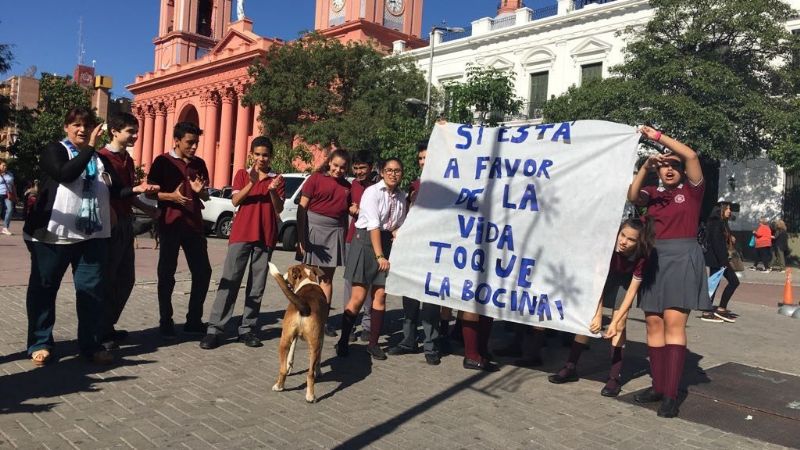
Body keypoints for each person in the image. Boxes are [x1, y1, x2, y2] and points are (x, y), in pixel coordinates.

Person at [23, 107, 155, 366]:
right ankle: (40, 342)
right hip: (52, 236)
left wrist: (137, 189)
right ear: (66, 127)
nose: (82, 130)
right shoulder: (55, 150)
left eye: (87, 125)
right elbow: (66, 174)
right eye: (77, 125)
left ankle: (91, 344)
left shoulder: (99, 160)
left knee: (92, 291)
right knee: (44, 290)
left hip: (92, 237)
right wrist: (90, 148)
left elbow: (116, 190)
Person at [627, 125, 711, 418]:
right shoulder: (652, 193)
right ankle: (658, 387)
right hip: (654, 258)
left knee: (674, 324)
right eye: (664, 166)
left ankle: (671, 396)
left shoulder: (693, 191)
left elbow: (691, 155)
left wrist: (657, 137)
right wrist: (644, 167)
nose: (669, 169)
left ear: (682, 170)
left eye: (674, 165)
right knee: (653, 323)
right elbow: (632, 195)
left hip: (683, 258)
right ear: (658, 171)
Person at [548, 218, 654, 397]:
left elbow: (631, 292)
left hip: (625, 282)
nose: (624, 241)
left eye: (631, 239)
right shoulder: (607, 246)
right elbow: (598, 282)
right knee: (589, 319)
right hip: (603, 278)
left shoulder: (642, 256)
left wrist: (615, 321)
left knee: (619, 325)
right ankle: (570, 366)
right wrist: (597, 315)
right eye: (622, 235)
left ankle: (614, 378)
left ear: (639, 242)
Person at [200, 136, 285, 350]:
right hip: (241, 234)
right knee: (229, 281)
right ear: (251, 155)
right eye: (258, 154)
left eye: (265, 155)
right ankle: (215, 329)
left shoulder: (277, 179)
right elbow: (235, 200)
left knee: (257, 286)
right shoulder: (242, 174)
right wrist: (252, 182)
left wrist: (272, 190)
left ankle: (247, 329)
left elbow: (279, 209)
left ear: (271, 156)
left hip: (265, 236)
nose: (261, 158)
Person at [97, 113, 161, 348]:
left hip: (126, 222)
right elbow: (107, 192)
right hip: (109, 224)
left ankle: (107, 325)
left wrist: (148, 209)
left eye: (136, 131)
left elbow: (129, 193)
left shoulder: (128, 160)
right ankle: (99, 331)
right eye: (130, 131)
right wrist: (138, 190)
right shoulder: (101, 158)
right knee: (108, 278)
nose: (135, 136)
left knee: (126, 278)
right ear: (114, 131)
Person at [336, 157, 407, 360]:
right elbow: (373, 225)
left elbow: (399, 223)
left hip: (385, 242)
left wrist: (397, 233)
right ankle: (343, 340)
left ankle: (373, 344)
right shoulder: (372, 192)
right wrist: (379, 256)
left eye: (397, 171)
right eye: (389, 170)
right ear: (382, 172)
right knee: (358, 297)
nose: (393, 174)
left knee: (380, 295)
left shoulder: (401, 196)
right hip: (366, 241)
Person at [147, 122, 212, 338]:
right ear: (176, 141)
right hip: (170, 224)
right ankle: (165, 320)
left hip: (194, 226)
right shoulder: (162, 162)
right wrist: (171, 197)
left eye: (196, 143)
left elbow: (205, 195)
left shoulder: (199, 164)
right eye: (189, 143)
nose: (194, 147)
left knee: (203, 272)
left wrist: (200, 192)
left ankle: (194, 320)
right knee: (167, 274)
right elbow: (149, 193)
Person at [386, 142, 443, 365]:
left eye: (426, 158)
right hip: (412, 249)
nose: (423, 162)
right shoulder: (414, 186)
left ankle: (431, 344)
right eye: (420, 158)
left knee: (430, 299)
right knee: (409, 295)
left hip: (434, 250)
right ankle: (408, 340)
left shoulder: (445, 185)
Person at [297, 149, 352, 324]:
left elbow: (347, 212)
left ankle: (322, 320)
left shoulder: (347, 186)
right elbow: (302, 208)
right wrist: (302, 238)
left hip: (334, 232)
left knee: (326, 279)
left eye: (342, 167)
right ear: (329, 162)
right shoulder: (315, 178)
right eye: (335, 165)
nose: (338, 170)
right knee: (308, 278)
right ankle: (304, 317)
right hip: (312, 230)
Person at [339, 150, 376, 342]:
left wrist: (360, 211)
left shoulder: (380, 186)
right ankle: (349, 325)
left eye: (363, 168)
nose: (359, 171)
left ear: (371, 167)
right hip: (352, 238)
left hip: (374, 241)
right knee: (350, 283)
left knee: (370, 283)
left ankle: (368, 325)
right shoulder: (351, 185)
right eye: (356, 168)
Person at [701, 203, 740, 323]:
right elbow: (716, 244)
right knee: (734, 281)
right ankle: (719, 308)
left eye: (730, 209)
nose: (729, 211)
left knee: (714, 283)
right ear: (720, 210)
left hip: (719, 258)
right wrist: (723, 261)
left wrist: (730, 238)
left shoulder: (723, 223)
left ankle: (708, 310)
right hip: (718, 259)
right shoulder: (716, 223)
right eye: (727, 208)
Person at [0, 158, 17, 235]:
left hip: (8, 195)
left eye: (6, 165)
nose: (5, 167)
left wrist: (15, 196)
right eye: (3, 165)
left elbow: (13, 186)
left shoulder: (10, 174)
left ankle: (5, 228)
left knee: (10, 210)